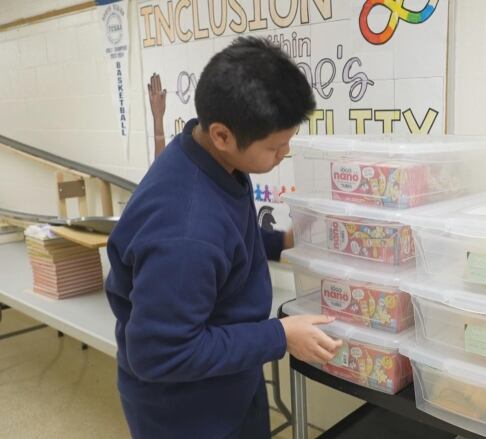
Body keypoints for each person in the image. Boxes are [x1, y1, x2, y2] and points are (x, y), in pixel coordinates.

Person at [105, 36, 339, 439]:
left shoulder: (211, 159)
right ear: (222, 135)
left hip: (227, 376)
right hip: (186, 412)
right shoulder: (185, 230)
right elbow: (160, 353)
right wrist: (279, 335)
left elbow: (230, 241)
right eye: (275, 147)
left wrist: (280, 243)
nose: (284, 153)